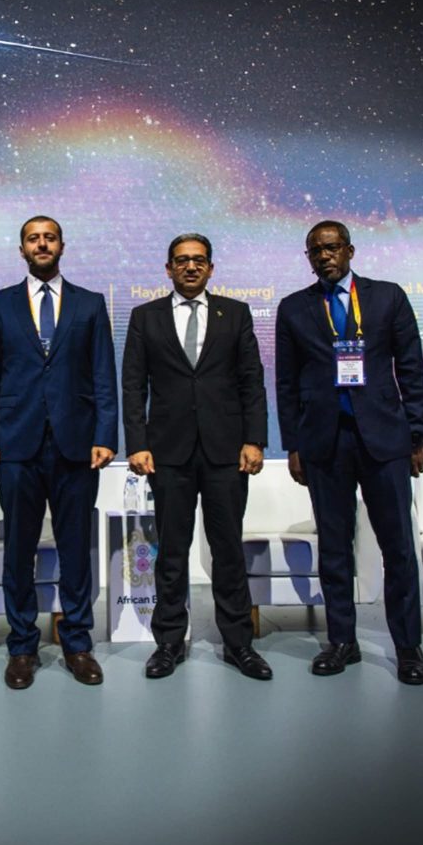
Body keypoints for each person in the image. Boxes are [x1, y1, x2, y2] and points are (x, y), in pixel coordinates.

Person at [275, 220, 423, 684]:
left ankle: (407, 647)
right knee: (333, 547)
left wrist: (417, 435)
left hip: (384, 440)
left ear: (350, 250)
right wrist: (293, 445)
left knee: (398, 547)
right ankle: (342, 641)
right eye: (315, 251)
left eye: (331, 248)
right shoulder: (294, 308)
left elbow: (411, 368)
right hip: (324, 442)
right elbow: (286, 383)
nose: (324, 256)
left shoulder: (388, 297)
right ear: (308, 258)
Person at [0, 216, 117, 689]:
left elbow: (103, 375)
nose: (41, 244)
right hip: (16, 445)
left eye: (49, 237)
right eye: (33, 238)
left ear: (61, 246)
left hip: (77, 445)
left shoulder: (90, 304)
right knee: (18, 551)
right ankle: (21, 647)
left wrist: (106, 435)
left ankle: (77, 644)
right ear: (22, 249)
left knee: (76, 549)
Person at [122, 233, 272, 680]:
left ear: (211, 268)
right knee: (171, 552)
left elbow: (252, 381)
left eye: (199, 260)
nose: (191, 267)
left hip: (227, 452)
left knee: (228, 550)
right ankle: (169, 643)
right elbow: (134, 385)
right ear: (168, 268)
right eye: (182, 260)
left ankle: (239, 644)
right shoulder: (145, 317)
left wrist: (255, 440)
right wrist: (137, 443)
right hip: (167, 453)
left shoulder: (236, 313)